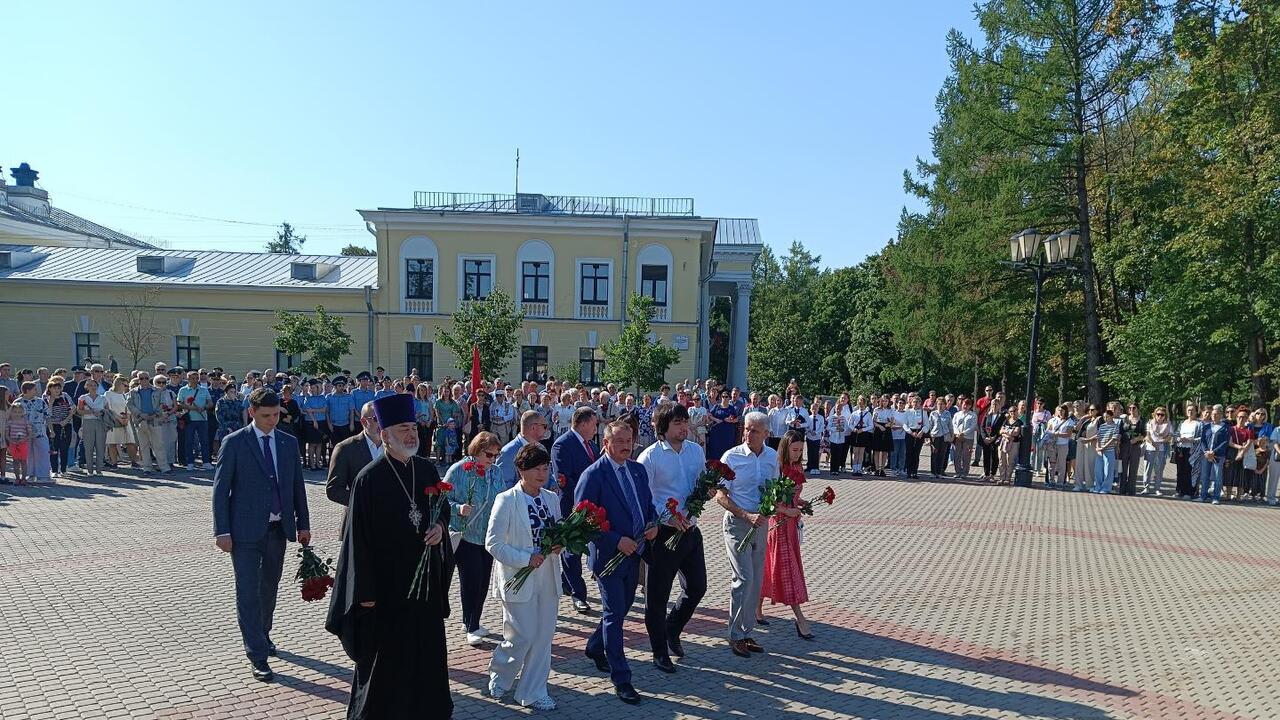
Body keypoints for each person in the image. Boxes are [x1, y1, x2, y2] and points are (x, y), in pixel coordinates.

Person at [324, 392, 456, 718]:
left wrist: (439, 527)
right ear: (384, 435)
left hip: (422, 589)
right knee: (385, 662)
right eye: (402, 428)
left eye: (413, 427)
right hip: (385, 592)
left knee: (424, 654)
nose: (411, 434)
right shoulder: (368, 479)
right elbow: (357, 542)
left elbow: (442, 510)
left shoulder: (426, 470)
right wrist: (364, 594)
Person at [212, 388, 311, 683]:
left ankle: (263, 634)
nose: (272, 421)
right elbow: (220, 491)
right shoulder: (235, 443)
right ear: (252, 412)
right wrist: (222, 530)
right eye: (266, 416)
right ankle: (257, 655)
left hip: (277, 530)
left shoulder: (288, 442)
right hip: (243, 533)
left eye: (277, 415)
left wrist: (303, 524)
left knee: (269, 587)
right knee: (247, 592)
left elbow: (297, 487)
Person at [575, 420, 657, 705]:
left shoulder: (637, 469)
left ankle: (595, 648)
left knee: (619, 611)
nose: (626, 445)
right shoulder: (594, 475)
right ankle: (622, 679)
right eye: (620, 441)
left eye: (629, 440)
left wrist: (652, 523)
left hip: (634, 555)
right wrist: (614, 540)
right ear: (606, 443)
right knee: (613, 614)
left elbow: (647, 504)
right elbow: (581, 521)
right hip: (609, 558)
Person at [484, 442, 563, 711]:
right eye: (536, 469)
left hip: (548, 578)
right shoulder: (506, 499)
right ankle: (501, 673)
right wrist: (524, 558)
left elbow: (559, 532)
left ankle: (532, 691)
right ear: (521, 470)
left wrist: (560, 545)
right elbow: (493, 543)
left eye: (545, 468)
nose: (542, 474)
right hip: (518, 578)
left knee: (543, 638)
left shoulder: (552, 498)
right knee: (522, 636)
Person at [637, 402, 708, 673]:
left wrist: (708, 491)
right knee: (657, 596)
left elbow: (700, 483)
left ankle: (672, 629)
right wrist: (666, 517)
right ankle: (658, 652)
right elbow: (646, 496)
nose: (683, 427)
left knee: (697, 587)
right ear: (663, 427)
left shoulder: (695, 451)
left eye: (685, 422)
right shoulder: (651, 456)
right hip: (664, 533)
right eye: (677, 423)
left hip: (689, 529)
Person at [717, 411, 776, 659]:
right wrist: (745, 515)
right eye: (746, 429)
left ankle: (746, 631)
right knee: (744, 578)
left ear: (766, 434)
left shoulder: (772, 457)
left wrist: (774, 507)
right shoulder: (732, 457)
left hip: (761, 523)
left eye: (754, 430)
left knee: (756, 580)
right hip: (737, 523)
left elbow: (775, 488)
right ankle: (734, 634)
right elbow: (720, 495)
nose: (748, 434)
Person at [445, 431, 505, 646]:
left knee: (482, 582)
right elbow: (440, 500)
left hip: (487, 536)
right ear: (477, 451)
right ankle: (472, 626)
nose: (492, 460)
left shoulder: (495, 472)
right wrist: (458, 508)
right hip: (465, 534)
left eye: (496, 455)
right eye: (489, 455)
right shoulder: (459, 470)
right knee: (471, 580)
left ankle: (471, 620)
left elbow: (503, 498)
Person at [757, 429, 813, 638]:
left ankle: (757, 607)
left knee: (769, 566)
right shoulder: (777, 469)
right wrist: (787, 510)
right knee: (786, 570)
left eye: (800, 450)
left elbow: (793, 497)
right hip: (778, 525)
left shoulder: (797, 467)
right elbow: (769, 502)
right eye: (794, 450)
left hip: (791, 526)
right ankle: (800, 619)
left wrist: (800, 503)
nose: (798, 454)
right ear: (785, 448)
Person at [550, 406, 600, 614]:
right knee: (572, 551)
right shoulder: (562, 445)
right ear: (582, 423)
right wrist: (582, 502)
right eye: (594, 424)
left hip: (592, 507)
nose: (596, 429)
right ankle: (578, 594)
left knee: (582, 549)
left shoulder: (592, 446)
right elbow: (564, 479)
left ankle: (566, 582)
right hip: (573, 505)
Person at [326, 402, 382, 540]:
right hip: (358, 521)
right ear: (363, 421)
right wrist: (363, 501)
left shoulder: (394, 446)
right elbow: (333, 490)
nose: (381, 423)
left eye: (384, 418)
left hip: (389, 522)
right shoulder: (346, 448)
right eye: (376, 419)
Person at [494, 410, 548, 490]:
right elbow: (504, 487)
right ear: (533, 427)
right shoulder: (508, 452)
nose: (546, 430)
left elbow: (549, 475)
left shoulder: (541, 448)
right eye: (544, 426)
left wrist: (553, 486)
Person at [178, 371, 214, 469]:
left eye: (196, 378)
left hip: (202, 419)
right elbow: (179, 403)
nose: (195, 380)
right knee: (189, 441)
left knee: (204, 441)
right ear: (188, 379)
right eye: (192, 378)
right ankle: (190, 462)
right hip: (189, 419)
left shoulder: (204, 390)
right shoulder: (183, 390)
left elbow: (210, 403)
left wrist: (204, 407)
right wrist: (191, 408)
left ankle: (206, 462)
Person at [18, 382, 52, 483]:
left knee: (43, 452)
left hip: (40, 432)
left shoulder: (40, 401)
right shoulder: (18, 403)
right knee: (28, 454)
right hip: (24, 433)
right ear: (27, 391)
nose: (36, 391)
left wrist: (51, 430)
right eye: (34, 389)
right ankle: (30, 474)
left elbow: (48, 415)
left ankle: (43, 476)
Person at [104, 376, 138, 469]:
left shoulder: (124, 395)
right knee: (112, 442)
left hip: (125, 420)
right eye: (124, 385)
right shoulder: (108, 394)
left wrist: (127, 418)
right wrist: (118, 418)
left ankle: (134, 461)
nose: (126, 387)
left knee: (130, 442)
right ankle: (114, 463)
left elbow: (128, 408)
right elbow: (108, 408)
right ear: (118, 384)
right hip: (113, 420)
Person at [77, 376, 108, 476]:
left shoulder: (103, 398)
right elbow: (79, 411)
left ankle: (99, 469)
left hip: (100, 423)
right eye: (90, 385)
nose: (93, 387)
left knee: (100, 446)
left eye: (95, 385)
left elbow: (107, 411)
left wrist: (102, 412)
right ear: (87, 386)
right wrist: (90, 411)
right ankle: (90, 470)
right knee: (88, 447)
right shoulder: (83, 398)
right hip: (87, 422)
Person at [1200, 405, 1230, 505]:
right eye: (1212, 414)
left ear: (1221, 415)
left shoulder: (1225, 427)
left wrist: (1214, 452)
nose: (1214, 416)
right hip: (1206, 455)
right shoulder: (1206, 426)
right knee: (1205, 476)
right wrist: (1206, 452)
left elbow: (1225, 442)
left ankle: (1216, 497)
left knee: (1217, 477)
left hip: (1218, 456)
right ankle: (1203, 496)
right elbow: (1203, 440)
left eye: (1216, 414)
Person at [44, 378, 74, 478]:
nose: (57, 390)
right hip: (53, 426)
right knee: (54, 449)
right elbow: (47, 414)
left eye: (58, 388)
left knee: (64, 448)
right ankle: (54, 470)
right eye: (54, 388)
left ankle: (64, 470)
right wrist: (51, 403)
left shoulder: (65, 396)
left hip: (66, 425)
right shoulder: (46, 398)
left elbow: (72, 410)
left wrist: (66, 420)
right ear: (50, 389)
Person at [1141, 406, 1172, 495]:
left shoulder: (1168, 424)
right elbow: (1147, 435)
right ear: (1155, 414)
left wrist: (1162, 441)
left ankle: (1157, 488)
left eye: (1162, 415)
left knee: (1159, 470)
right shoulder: (1150, 423)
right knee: (1148, 469)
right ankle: (1146, 487)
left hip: (1162, 449)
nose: (1160, 416)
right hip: (1150, 448)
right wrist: (1153, 443)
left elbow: (1170, 436)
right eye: (1158, 414)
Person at [1045, 404, 1075, 488]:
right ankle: (1051, 480)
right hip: (1052, 443)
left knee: (1062, 463)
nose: (1060, 412)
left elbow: (1068, 434)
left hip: (1063, 444)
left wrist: (1057, 434)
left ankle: (1060, 482)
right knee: (1052, 463)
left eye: (1062, 410)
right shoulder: (1052, 420)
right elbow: (1048, 430)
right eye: (1058, 410)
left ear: (1065, 411)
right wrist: (1052, 434)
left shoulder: (1069, 421)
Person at [706, 390, 739, 463]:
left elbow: (736, 419)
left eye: (726, 397)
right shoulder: (717, 406)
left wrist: (730, 420)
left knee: (726, 451)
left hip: (728, 433)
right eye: (723, 396)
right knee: (715, 451)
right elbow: (709, 414)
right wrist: (716, 419)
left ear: (729, 398)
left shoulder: (731, 408)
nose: (724, 398)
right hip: (716, 433)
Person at [926, 395, 955, 478]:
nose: (940, 405)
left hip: (945, 436)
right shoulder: (933, 413)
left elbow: (950, 425)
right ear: (936, 404)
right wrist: (928, 437)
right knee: (934, 454)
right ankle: (933, 472)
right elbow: (930, 425)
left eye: (942, 404)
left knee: (942, 455)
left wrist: (951, 436)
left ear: (945, 405)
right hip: (935, 436)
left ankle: (939, 472)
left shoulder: (947, 413)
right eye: (939, 404)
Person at [1093, 408, 1119, 494]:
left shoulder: (1115, 426)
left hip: (1109, 450)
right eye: (1104, 417)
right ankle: (1098, 486)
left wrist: (1103, 447)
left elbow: (1113, 439)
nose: (1106, 419)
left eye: (1107, 417)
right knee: (1098, 470)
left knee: (1108, 470)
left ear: (1112, 417)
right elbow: (1098, 437)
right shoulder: (1102, 426)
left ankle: (1106, 488)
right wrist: (1098, 447)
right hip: (1100, 451)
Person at [1075, 405, 1100, 492]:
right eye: (1089, 410)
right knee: (1079, 464)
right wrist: (1082, 419)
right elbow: (1076, 428)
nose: (1090, 411)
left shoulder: (1099, 419)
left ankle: (1090, 485)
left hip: (1091, 443)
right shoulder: (1086, 420)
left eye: (1092, 410)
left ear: (1097, 411)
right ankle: (1078, 484)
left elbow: (1100, 433)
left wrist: (1089, 439)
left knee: (1089, 464)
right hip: (1081, 442)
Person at [950, 397, 976, 479]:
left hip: (968, 438)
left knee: (966, 456)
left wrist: (963, 433)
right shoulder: (957, 414)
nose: (965, 406)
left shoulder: (973, 415)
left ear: (970, 406)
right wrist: (957, 433)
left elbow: (973, 426)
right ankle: (958, 472)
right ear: (962, 405)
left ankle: (964, 473)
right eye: (964, 404)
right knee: (957, 455)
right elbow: (953, 424)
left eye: (968, 405)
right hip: (957, 437)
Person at [327, 376, 358, 447]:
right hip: (334, 425)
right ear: (335, 386)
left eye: (343, 386)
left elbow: (351, 411)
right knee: (334, 446)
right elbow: (327, 412)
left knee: (346, 446)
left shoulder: (348, 397)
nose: (341, 387)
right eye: (339, 386)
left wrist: (352, 424)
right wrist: (329, 424)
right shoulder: (329, 397)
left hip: (345, 425)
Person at [997, 406, 1022, 486]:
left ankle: (1008, 478)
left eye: (1014, 411)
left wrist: (1006, 432)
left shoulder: (1019, 422)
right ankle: (1002, 478)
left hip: (1013, 444)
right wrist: (1007, 434)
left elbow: (1016, 433)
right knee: (1002, 460)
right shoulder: (1006, 421)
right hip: (1003, 443)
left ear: (1017, 412)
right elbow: (1001, 431)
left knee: (1010, 461)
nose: (1013, 413)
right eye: (1011, 411)